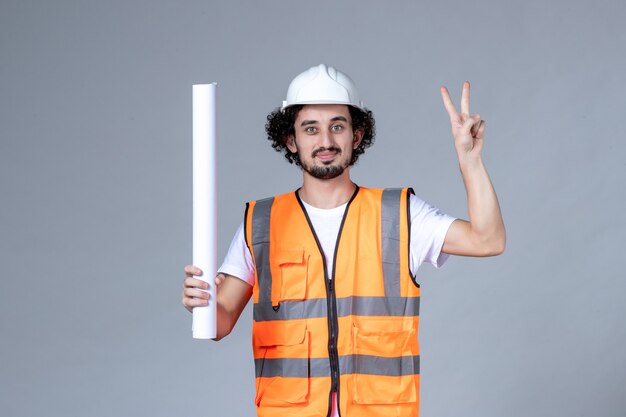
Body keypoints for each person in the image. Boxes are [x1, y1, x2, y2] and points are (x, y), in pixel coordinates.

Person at [182, 64, 505, 417]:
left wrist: (470, 161)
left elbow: (487, 240)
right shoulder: (261, 223)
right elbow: (222, 320)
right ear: (291, 139)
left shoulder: (400, 215)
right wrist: (203, 304)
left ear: (357, 135)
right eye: (311, 129)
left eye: (337, 126)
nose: (325, 141)